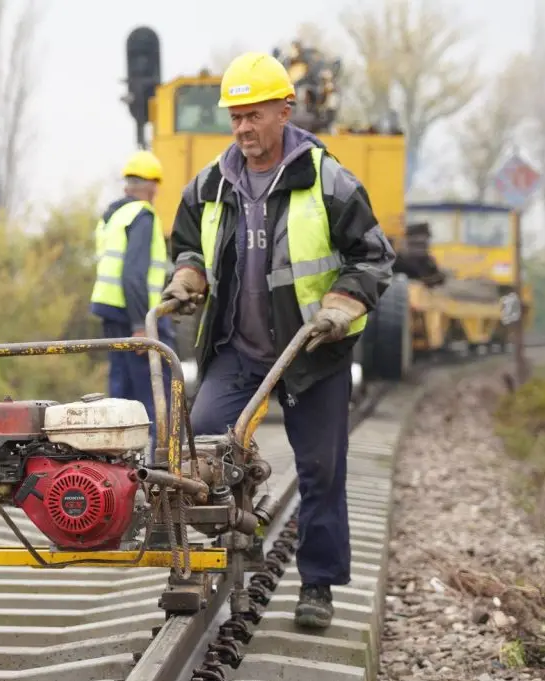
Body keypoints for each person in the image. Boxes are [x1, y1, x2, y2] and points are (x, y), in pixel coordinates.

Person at [160, 52, 395, 629]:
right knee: (199, 456)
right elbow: (186, 241)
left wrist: (343, 303)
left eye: (255, 115)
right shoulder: (211, 182)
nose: (243, 128)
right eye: (235, 116)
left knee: (320, 469)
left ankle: (318, 585)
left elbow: (374, 256)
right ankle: (210, 559)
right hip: (237, 351)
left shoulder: (326, 177)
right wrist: (188, 273)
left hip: (310, 354)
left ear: (285, 110)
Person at [89, 150, 176, 451]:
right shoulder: (142, 215)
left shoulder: (111, 216)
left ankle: (118, 460)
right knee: (153, 395)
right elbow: (134, 274)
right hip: (135, 316)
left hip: (112, 313)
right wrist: (141, 325)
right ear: (152, 185)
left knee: (120, 391)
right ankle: (158, 464)